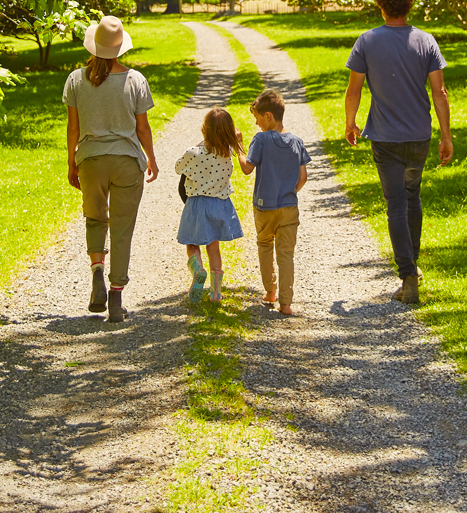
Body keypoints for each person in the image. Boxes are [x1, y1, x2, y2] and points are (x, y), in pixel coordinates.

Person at [344, 0, 453, 304]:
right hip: (419, 136)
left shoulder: (367, 41)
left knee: (395, 203)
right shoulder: (426, 41)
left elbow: (354, 90)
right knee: (411, 196)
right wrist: (445, 135)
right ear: (409, 3)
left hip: (385, 138)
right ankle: (412, 265)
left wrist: (350, 122)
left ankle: (408, 276)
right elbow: (439, 92)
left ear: (380, 4)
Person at [63, 16, 158, 322]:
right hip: (127, 162)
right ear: (120, 48)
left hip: (90, 160)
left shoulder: (76, 79)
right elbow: (142, 129)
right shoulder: (135, 80)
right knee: (121, 227)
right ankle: (116, 297)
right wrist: (151, 159)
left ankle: (97, 274)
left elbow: (73, 128)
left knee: (95, 219)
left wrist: (71, 162)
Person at [238, 89, 310, 316]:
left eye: (257, 118)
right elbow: (303, 178)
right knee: (286, 254)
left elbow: (247, 168)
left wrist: (237, 147)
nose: (257, 123)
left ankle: (270, 292)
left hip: (264, 206)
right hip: (289, 207)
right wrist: (289, 192)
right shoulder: (297, 142)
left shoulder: (261, 139)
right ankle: (286, 304)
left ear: (268, 116)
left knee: (265, 246)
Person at [175, 107, 244, 304]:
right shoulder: (227, 153)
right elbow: (232, 144)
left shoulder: (194, 153)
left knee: (192, 243)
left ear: (204, 129)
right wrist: (237, 141)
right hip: (219, 205)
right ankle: (215, 293)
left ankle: (198, 270)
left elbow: (177, 167)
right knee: (214, 248)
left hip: (196, 204)